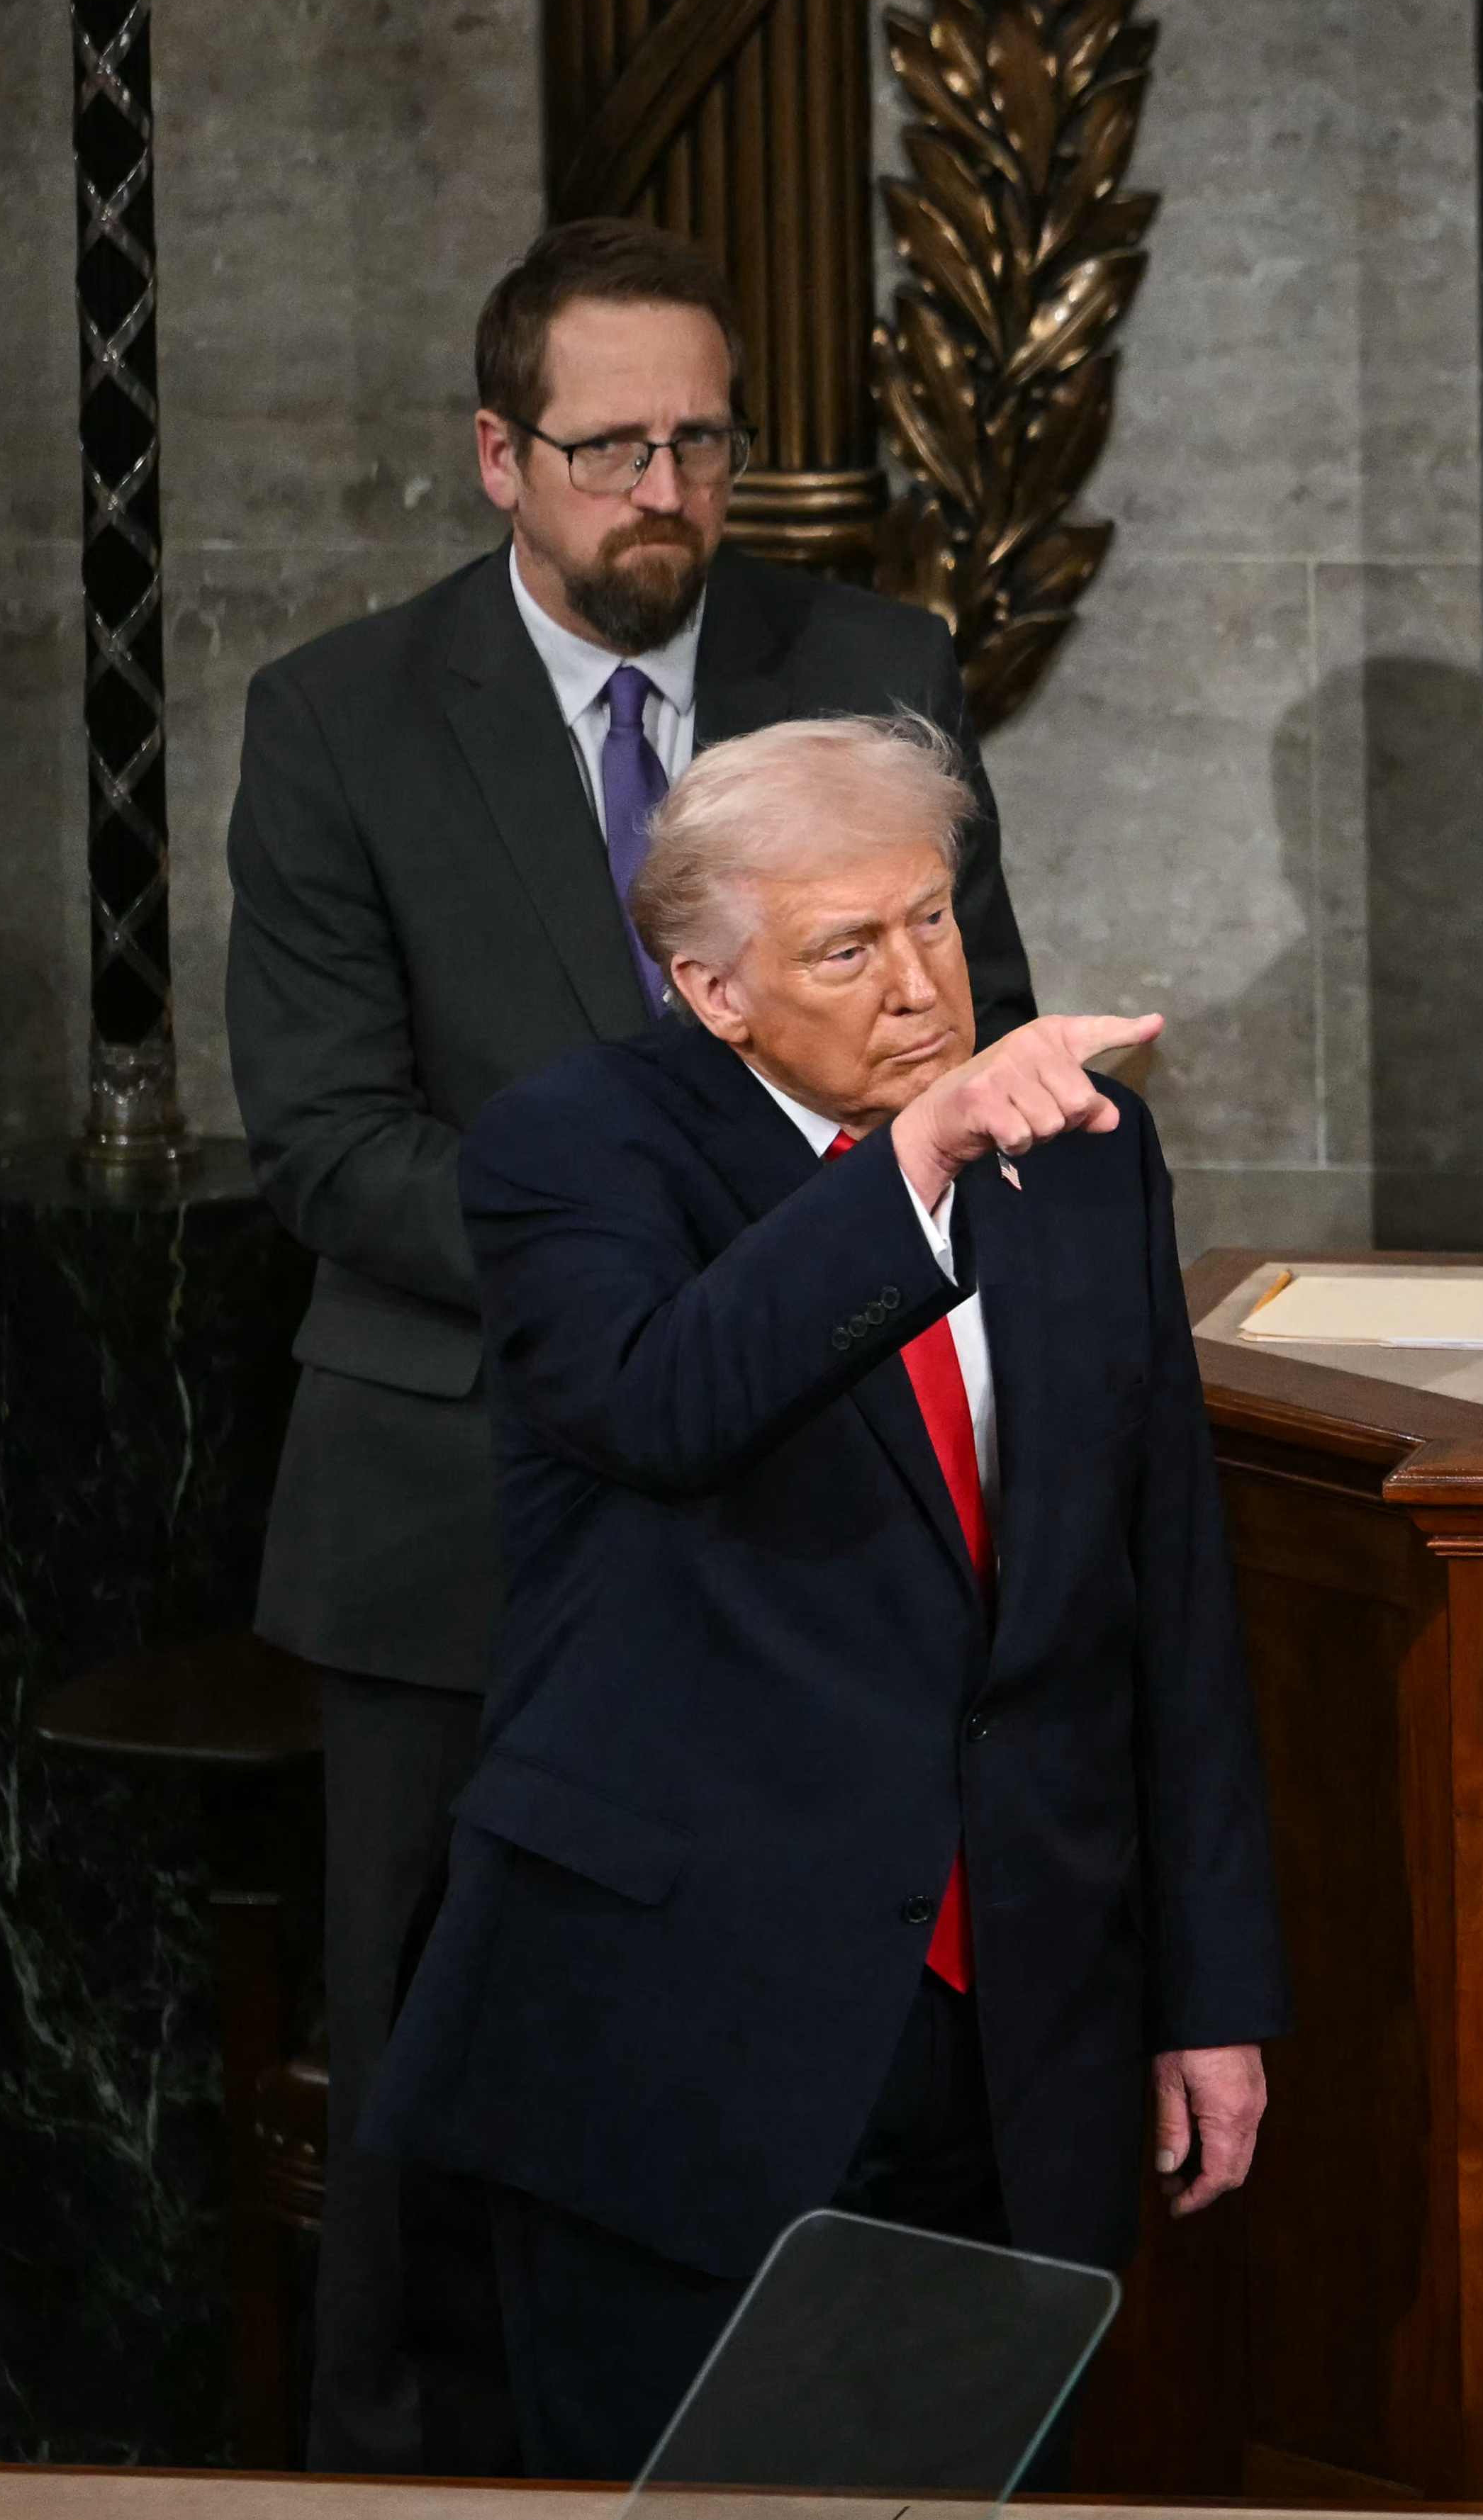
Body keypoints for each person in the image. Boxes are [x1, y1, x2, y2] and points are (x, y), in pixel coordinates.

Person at [223, 218, 1036, 2474]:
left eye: (702, 440)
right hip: (451, 1503)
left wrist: (779, 1295)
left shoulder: (867, 659)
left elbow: (961, 1043)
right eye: (610, 447)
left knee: (779, 2068)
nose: (663, 487)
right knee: (431, 2064)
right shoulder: (342, 719)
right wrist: (659, 1273)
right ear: (503, 455)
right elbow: (326, 1140)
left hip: (802, 1501)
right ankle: (403, 2487)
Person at [366, 716, 1282, 2479]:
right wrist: (911, 1162)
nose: (919, 983)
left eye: (930, 919)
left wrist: (1208, 1986)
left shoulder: (1083, 1153)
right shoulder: (577, 1146)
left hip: (1017, 2021)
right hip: (690, 2025)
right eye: (846, 948)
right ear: (713, 990)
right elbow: (667, 1398)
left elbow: (1167, 1585)